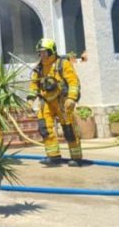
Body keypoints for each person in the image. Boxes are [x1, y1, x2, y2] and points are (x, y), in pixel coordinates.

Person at [28, 38, 83, 167]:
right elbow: (34, 85)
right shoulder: (39, 68)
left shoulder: (62, 64)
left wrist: (71, 98)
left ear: (51, 51)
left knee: (69, 128)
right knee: (45, 127)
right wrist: (31, 99)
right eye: (40, 53)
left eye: (44, 52)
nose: (42, 55)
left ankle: (76, 157)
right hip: (46, 101)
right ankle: (53, 156)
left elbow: (73, 82)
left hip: (62, 101)